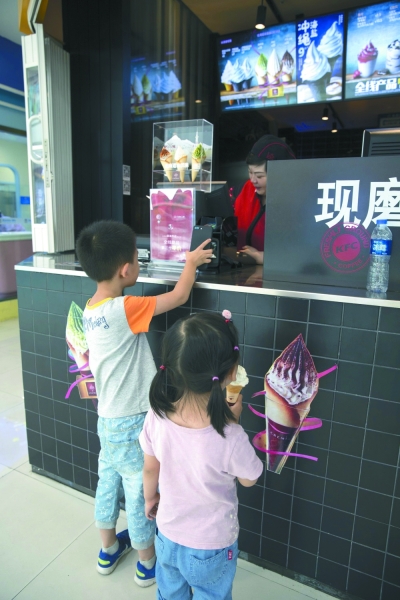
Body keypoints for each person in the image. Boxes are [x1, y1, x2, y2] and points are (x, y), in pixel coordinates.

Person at [75, 220, 212, 586]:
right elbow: (179, 297)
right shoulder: (125, 308)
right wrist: (190, 263)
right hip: (133, 419)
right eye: (138, 259)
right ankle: (146, 561)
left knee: (108, 481)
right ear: (125, 270)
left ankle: (108, 549)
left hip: (107, 418)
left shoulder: (91, 308)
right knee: (139, 490)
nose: (140, 264)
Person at [139, 311, 263, 599]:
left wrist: (150, 498)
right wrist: (234, 422)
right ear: (232, 373)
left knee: (170, 594)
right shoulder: (229, 435)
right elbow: (250, 479)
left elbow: (150, 468)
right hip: (212, 546)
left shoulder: (156, 416)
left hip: (167, 535)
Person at [234, 134, 296, 265]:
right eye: (250, 172)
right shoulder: (247, 189)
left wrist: (263, 257)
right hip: (244, 271)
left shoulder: (296, 201)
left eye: (259, 176)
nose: (253, 180)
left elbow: (303, 255)